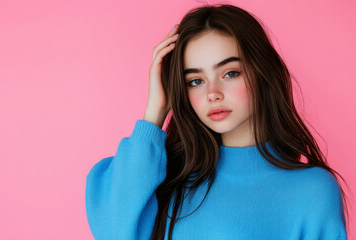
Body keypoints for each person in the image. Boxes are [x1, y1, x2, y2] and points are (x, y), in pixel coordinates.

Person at [85, 4, 350, 240]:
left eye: (230, 73)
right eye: (195, 81)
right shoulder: (165, 179)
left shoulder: (311, 192)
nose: (212, 93)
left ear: (262, 74)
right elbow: (115, 231)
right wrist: (155, 110)